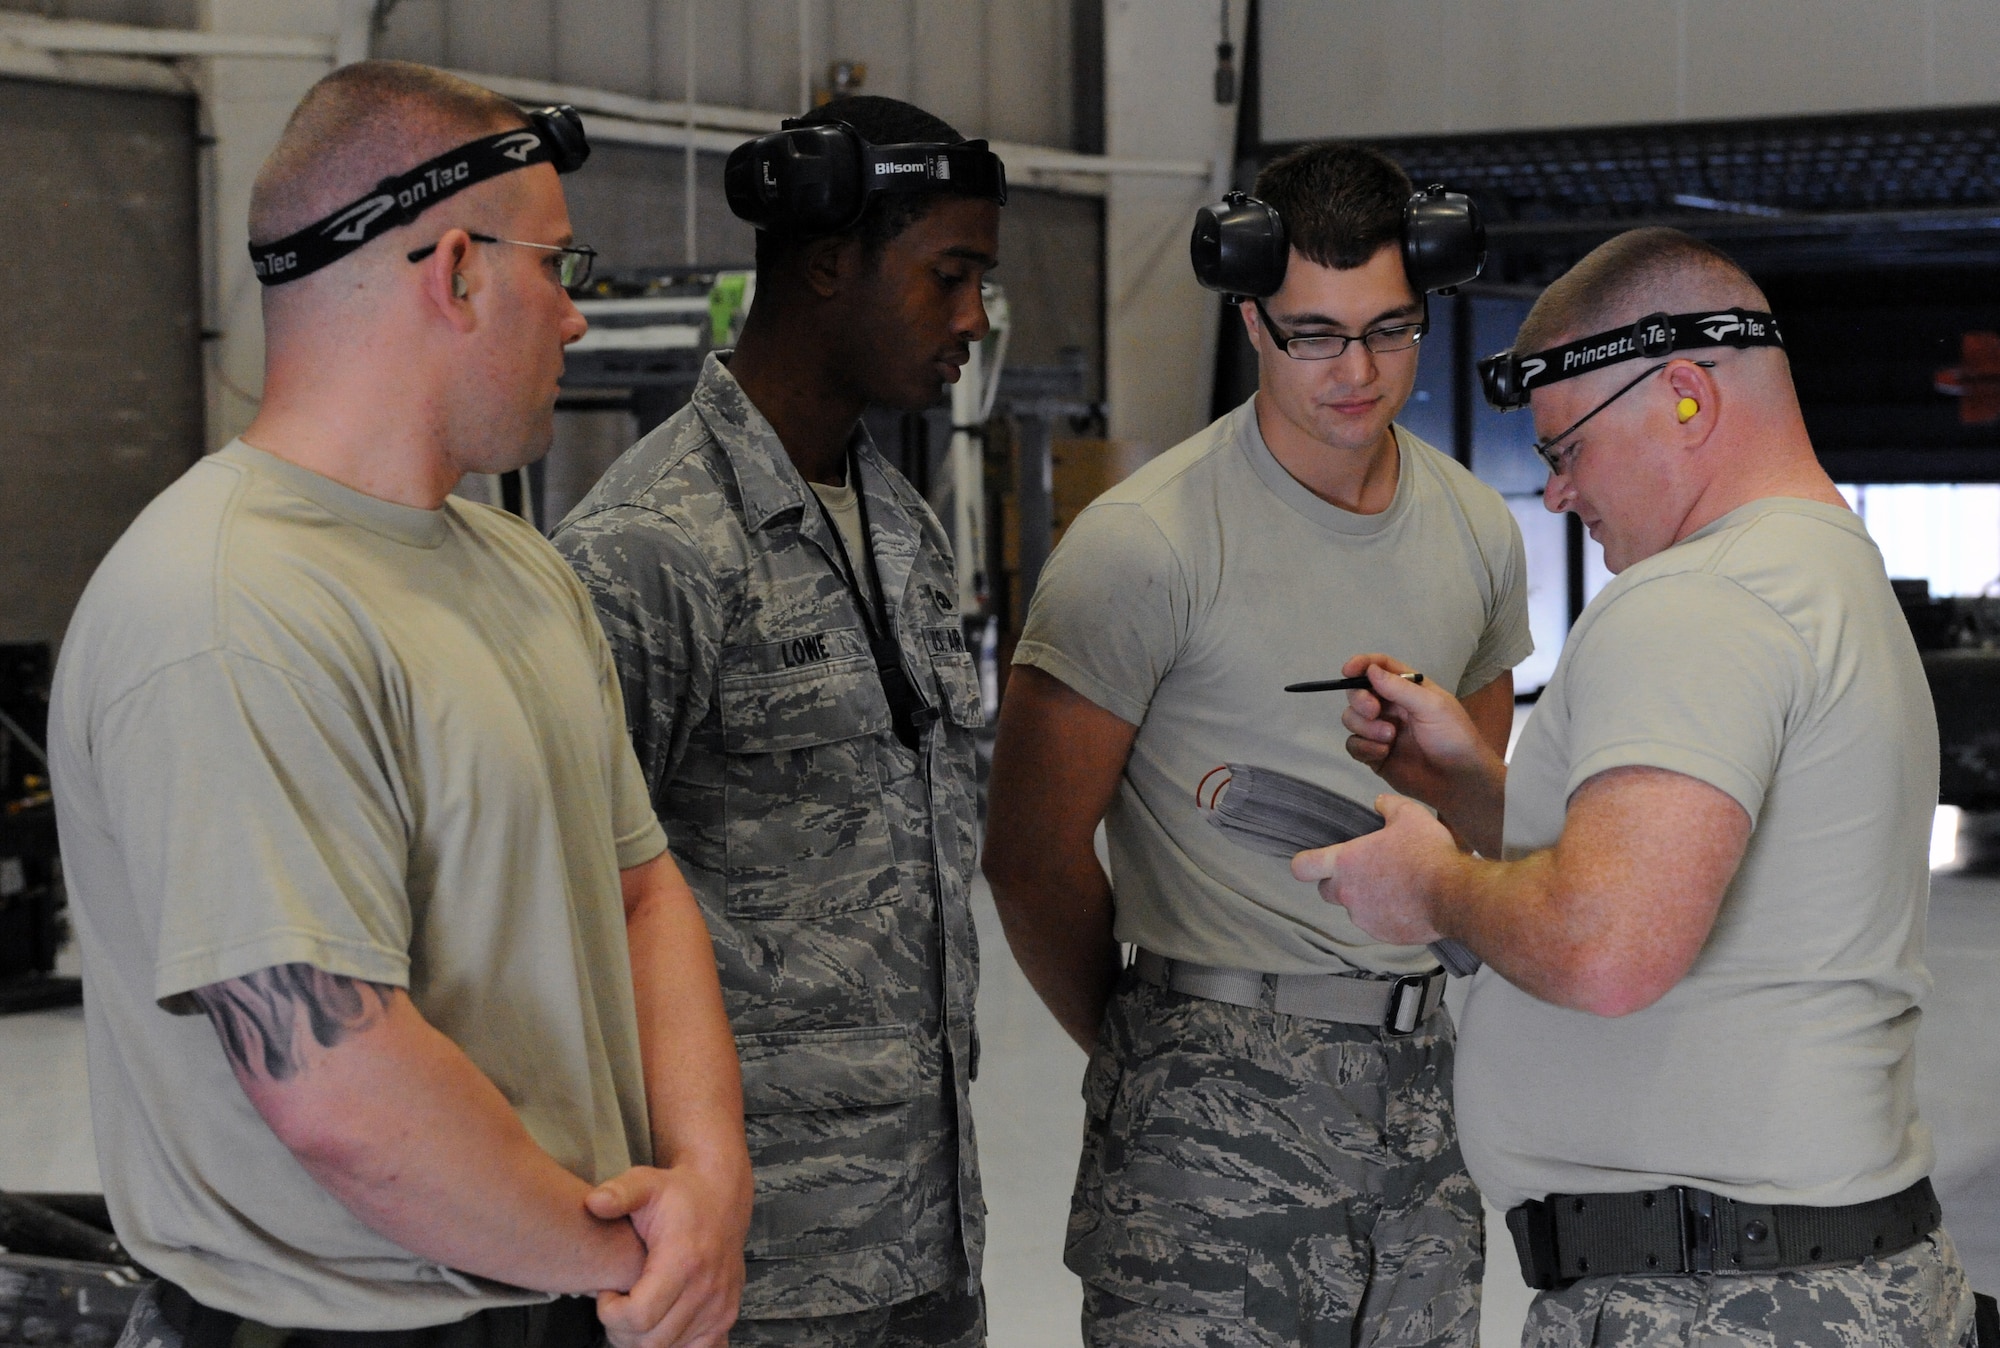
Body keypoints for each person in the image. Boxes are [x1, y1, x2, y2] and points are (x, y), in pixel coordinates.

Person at [48, 60, 751, 1348]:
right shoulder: (226, 608)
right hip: (357, 1323)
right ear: (459, 272)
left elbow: (641, 890)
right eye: (562, 268)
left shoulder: (518, 570)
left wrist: (709, 1187)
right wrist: (633, 1259)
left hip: (563, 1285)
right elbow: (337, 1086)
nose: (575, 317)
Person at [1299, 227, 1978, 1347]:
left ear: (1680, 397)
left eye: (1566, 448)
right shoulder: (1817, 570)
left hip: (1715, 1296)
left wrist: (1430, 887)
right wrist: (1476, 795)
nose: (1557, 492)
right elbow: (1695, 872)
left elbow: (1607, 945)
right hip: (1798, 1275)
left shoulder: (1697, 597)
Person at [983, 142, 1531, 1346]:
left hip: (1423, 1106)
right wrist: (1170, 1050)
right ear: (1249, 319)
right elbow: (1027, 854)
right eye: (1313, 334)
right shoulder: (1145, 546)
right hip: (1203, 1121)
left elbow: (1470, 827)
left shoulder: (1476, 532)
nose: (1358, 371)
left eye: (1389, 330)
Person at [551, 95, 1001, 1348]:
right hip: (748, 1279)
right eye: (947, 274)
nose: (972, 317)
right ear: (824, 263)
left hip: (926, 1247)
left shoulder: (899, 527)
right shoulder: (649, 548)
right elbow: (574, 917)